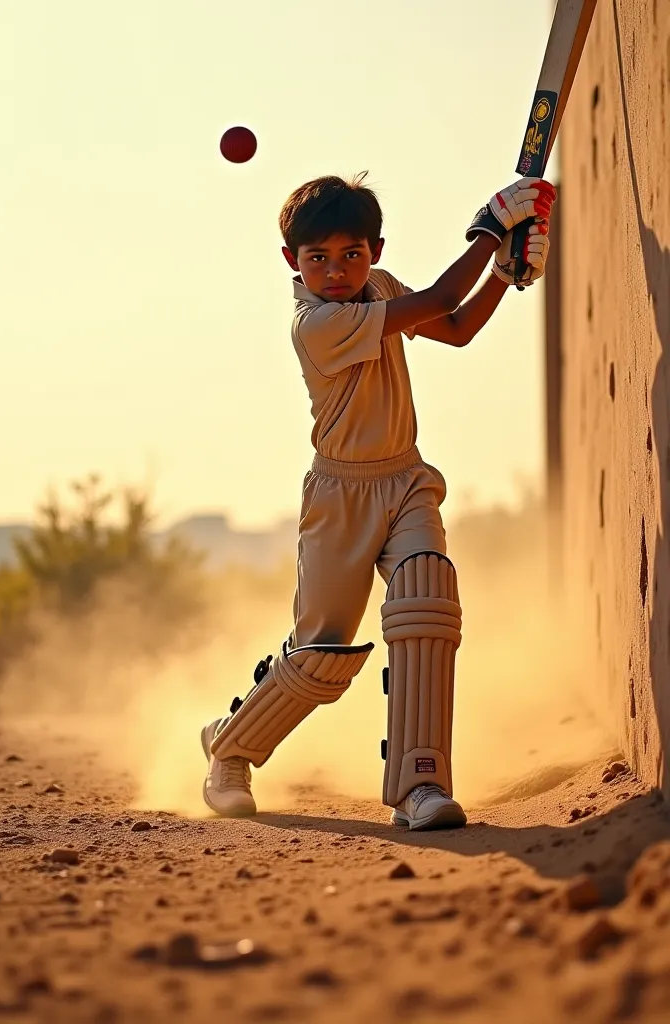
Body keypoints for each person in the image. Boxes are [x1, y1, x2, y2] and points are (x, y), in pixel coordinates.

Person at [201, 173, 555, 830]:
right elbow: (445, 293)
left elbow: (452, 325)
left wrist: (505, 273)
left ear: (376, 252)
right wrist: (489, 226)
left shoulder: (380, 290)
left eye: (352, 255)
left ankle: (419, 785)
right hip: (340, 498)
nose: (337, 271)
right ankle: (229, 750)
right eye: (319, 258)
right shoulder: (319, 323)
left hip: (406, 479)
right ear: (292, 262)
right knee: (319, 663)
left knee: (426, 598)